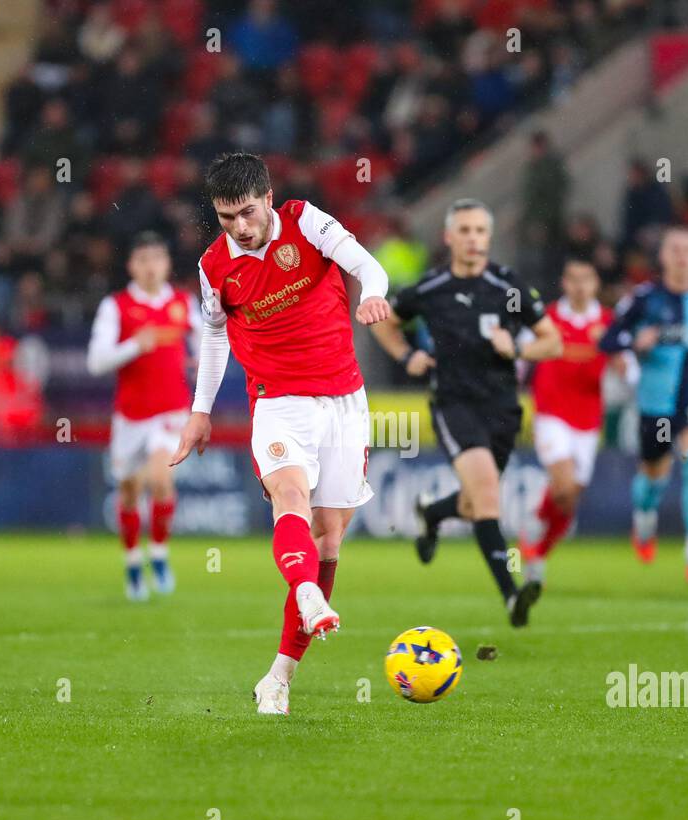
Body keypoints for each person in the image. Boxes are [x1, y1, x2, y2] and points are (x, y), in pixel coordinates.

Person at [171, 152, 391, 716]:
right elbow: (216, 337)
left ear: (268, 199)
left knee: (329, 540)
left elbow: (370, 266)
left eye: (247, 213)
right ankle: (308, 592)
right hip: (278, 403)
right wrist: (201, 410)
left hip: (345, 401)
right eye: (226, 218)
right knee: (289, 498)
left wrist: (370, 293)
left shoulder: (307, 222)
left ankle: (278, 677)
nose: (239, 228)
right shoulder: (214, 266)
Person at [370, 199, 561, 628]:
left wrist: (519, 348)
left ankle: (434, 513)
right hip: (454, 404)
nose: (474, 239)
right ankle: (512, 597)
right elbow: (384, 322)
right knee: (488, 495)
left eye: (480, 231)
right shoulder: (431, 288)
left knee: (478, 502)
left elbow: (553, 341)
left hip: (503, 408)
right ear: (449, 237)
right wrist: (406, 356)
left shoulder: (507, 287)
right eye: (466, 231)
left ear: (488, 238)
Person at [598, 227, 688, 582]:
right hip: (655, 402)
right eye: (675, 249)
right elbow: (609, 338)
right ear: (663, 257)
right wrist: (633, 343)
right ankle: (644, 518)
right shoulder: (644, 298)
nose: (683, 256)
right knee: (654, 473)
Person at [87, 232, 199, 600]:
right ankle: (133, 562)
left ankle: (160, 554)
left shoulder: (185, 303)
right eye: (143, 260)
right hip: (131, 416)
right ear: (131, 266)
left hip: (171, 411)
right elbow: (96, 362)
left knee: (160, 477)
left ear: (167, 263)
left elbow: (207, 342)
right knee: (130, 489)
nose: (151, 267)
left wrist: (201, 359)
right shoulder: (115, 306)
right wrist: (136, 344)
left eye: (157, 259)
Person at [518, 257, 611, 583]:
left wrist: (619, 357)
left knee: (568, 498)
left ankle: (538, 548)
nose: (580, 285)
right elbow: (523, 355)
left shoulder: (609, 324)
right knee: (565, 483)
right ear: (564, 283)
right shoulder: (547, 318)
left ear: (596, 283)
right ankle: (533, 539)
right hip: (551, 413)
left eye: (586, 278)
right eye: (573, 279)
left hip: (588, 418)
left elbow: (628, 369)